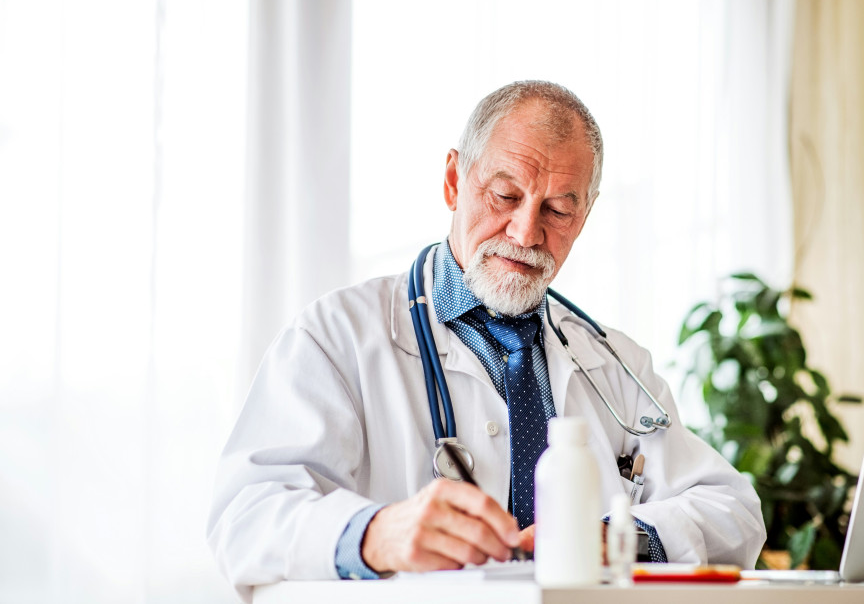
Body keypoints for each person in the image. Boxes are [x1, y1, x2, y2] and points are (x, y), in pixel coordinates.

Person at [207, 80, 766, 601]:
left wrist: (619, 537)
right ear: (454, 181)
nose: (526, 233)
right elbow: (246, 515)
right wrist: (376, 534)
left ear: (584, 216)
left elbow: (733, 512)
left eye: (558, 209)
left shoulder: (613, 362)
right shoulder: (338, 336)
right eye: (504, 195)